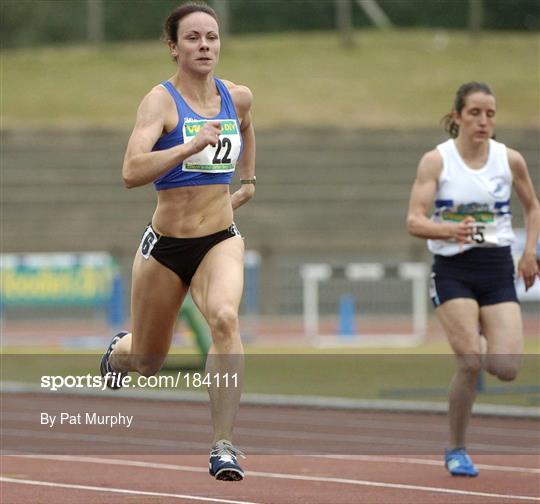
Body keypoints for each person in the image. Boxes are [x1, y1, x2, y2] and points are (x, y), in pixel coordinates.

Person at [100, 1, 256, 481]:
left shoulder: (238, 96)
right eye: (193, 38)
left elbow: (247, 127)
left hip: (219, 239)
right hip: (165, 248)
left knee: (226, 321)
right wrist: (188, 145)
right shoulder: (160, 102)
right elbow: (130, 172)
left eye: (211, 36)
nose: (204, 45)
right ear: (173, 47)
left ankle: (223, 446)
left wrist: (247, 180)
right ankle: (119, 352)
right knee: (148, 360)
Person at [406, 82, 540, 477]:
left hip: (497, 267)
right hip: (453, 269)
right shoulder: (437, 161)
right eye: (476, 113)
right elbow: (414, 220)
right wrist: (449, 231)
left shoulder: (509, 159)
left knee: (508, 366)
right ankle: (456, 448)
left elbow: (532, 207)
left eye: (491, 114)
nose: (484, 121)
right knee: (469, 362)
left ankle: (478, 341)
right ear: (458, 117)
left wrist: (529, 252)